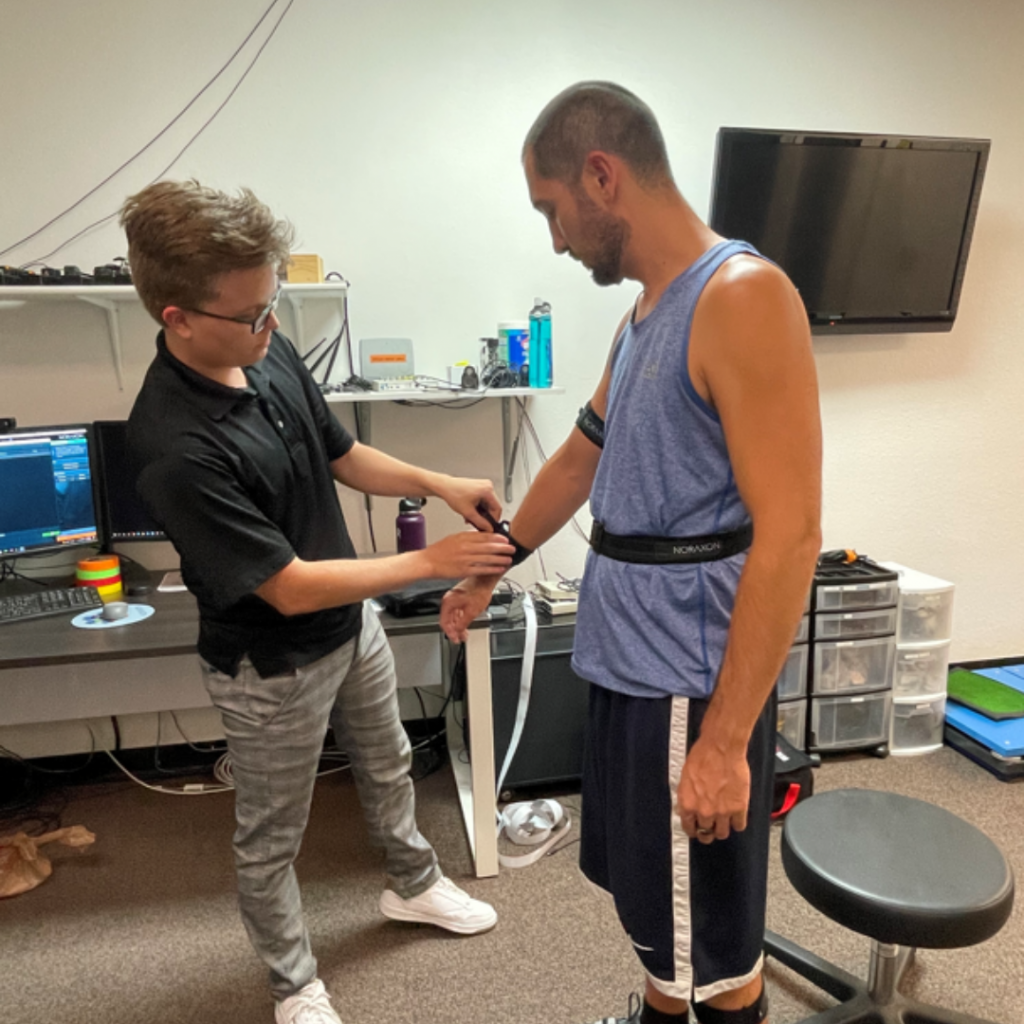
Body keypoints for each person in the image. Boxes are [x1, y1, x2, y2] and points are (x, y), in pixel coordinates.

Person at [441, 82, 822, 1024]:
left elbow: (793, 534)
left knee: (712, 948)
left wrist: (727, 744)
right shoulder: (649, 311)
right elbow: (581, 455)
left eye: (552, 209)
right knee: (661, 916)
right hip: (627, 662)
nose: (556, 239)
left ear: (601, 176)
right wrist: (493, 561)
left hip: (688, 685)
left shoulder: (745, 297)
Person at [122, 180, 515, 1024]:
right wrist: (430, 563)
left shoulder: (268, 350)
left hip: (352, 627)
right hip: (268, 663)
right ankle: (293, 983)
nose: (271, 327)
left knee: (388, 765)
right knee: (271, 838)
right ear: (176, 316)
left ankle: (412, 884)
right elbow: (288, 585)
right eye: (252, 314)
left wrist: (437, 480)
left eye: (274, 306)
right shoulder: (171, 445)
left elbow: (342, 454)